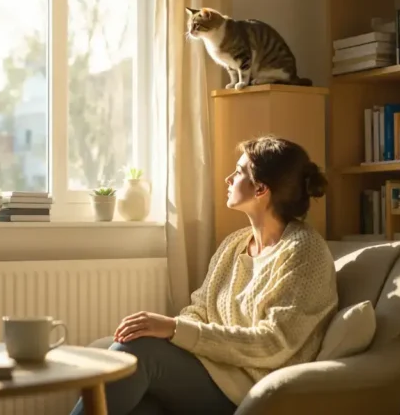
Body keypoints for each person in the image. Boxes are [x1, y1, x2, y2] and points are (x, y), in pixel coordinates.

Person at [70, 135, 339, 415]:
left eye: (238, 172)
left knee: (139, 351)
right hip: (214, 370)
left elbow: (272, 343)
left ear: (260, 189)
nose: (228, 179)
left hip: (249, 389)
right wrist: (173, 330)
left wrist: (174, 329)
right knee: (136, 396)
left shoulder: (304, 251)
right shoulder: (233, 245)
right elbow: (199, 309)